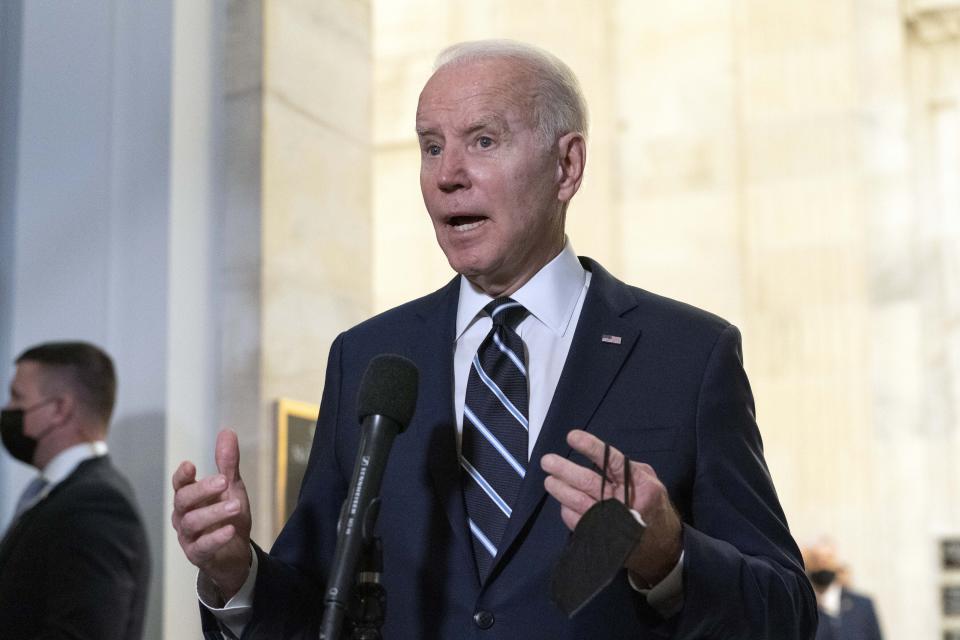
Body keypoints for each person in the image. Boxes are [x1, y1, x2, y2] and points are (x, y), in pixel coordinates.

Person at [173, 40, 817, 639]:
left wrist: (670, 556)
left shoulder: (688, 355)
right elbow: (318, 600)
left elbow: (786, 611)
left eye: (483, 141)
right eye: (430, 147)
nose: (448, 174)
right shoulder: (367, 357)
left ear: (567, 166)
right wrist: (235, 574)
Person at [0, 341, 150, 639]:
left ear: (59, 409)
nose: (8, 410)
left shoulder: (97, 505)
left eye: (17, 398)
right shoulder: (61, 494)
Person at [804, 539, 883, 640]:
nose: (822, 565)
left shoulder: (862, 606)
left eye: (828, 559)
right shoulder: (803, 608)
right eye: (816, 559)